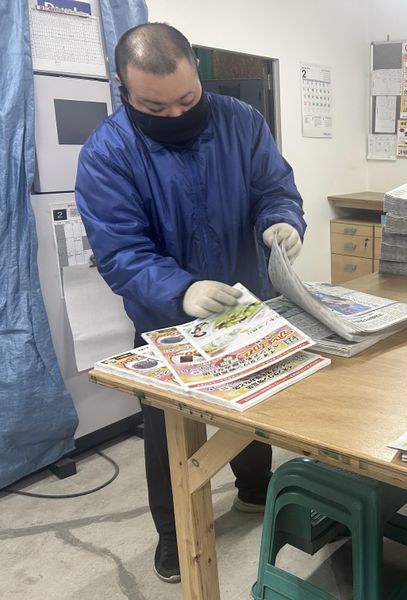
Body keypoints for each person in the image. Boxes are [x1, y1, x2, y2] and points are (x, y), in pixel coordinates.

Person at [75, 23, 306, 584]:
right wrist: (179, 290)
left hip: (244, 302)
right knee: (168, 431)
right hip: (165, 319)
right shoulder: (108, 151)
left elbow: (274, 188)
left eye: (186, 99)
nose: (176, 115)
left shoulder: (241, 122)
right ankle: (173, 534)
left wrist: (281, 221)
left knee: (252, 407)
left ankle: (255, 490)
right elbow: (120, 250)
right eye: (155, 107)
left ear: (197, 73)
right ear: (124, 89)